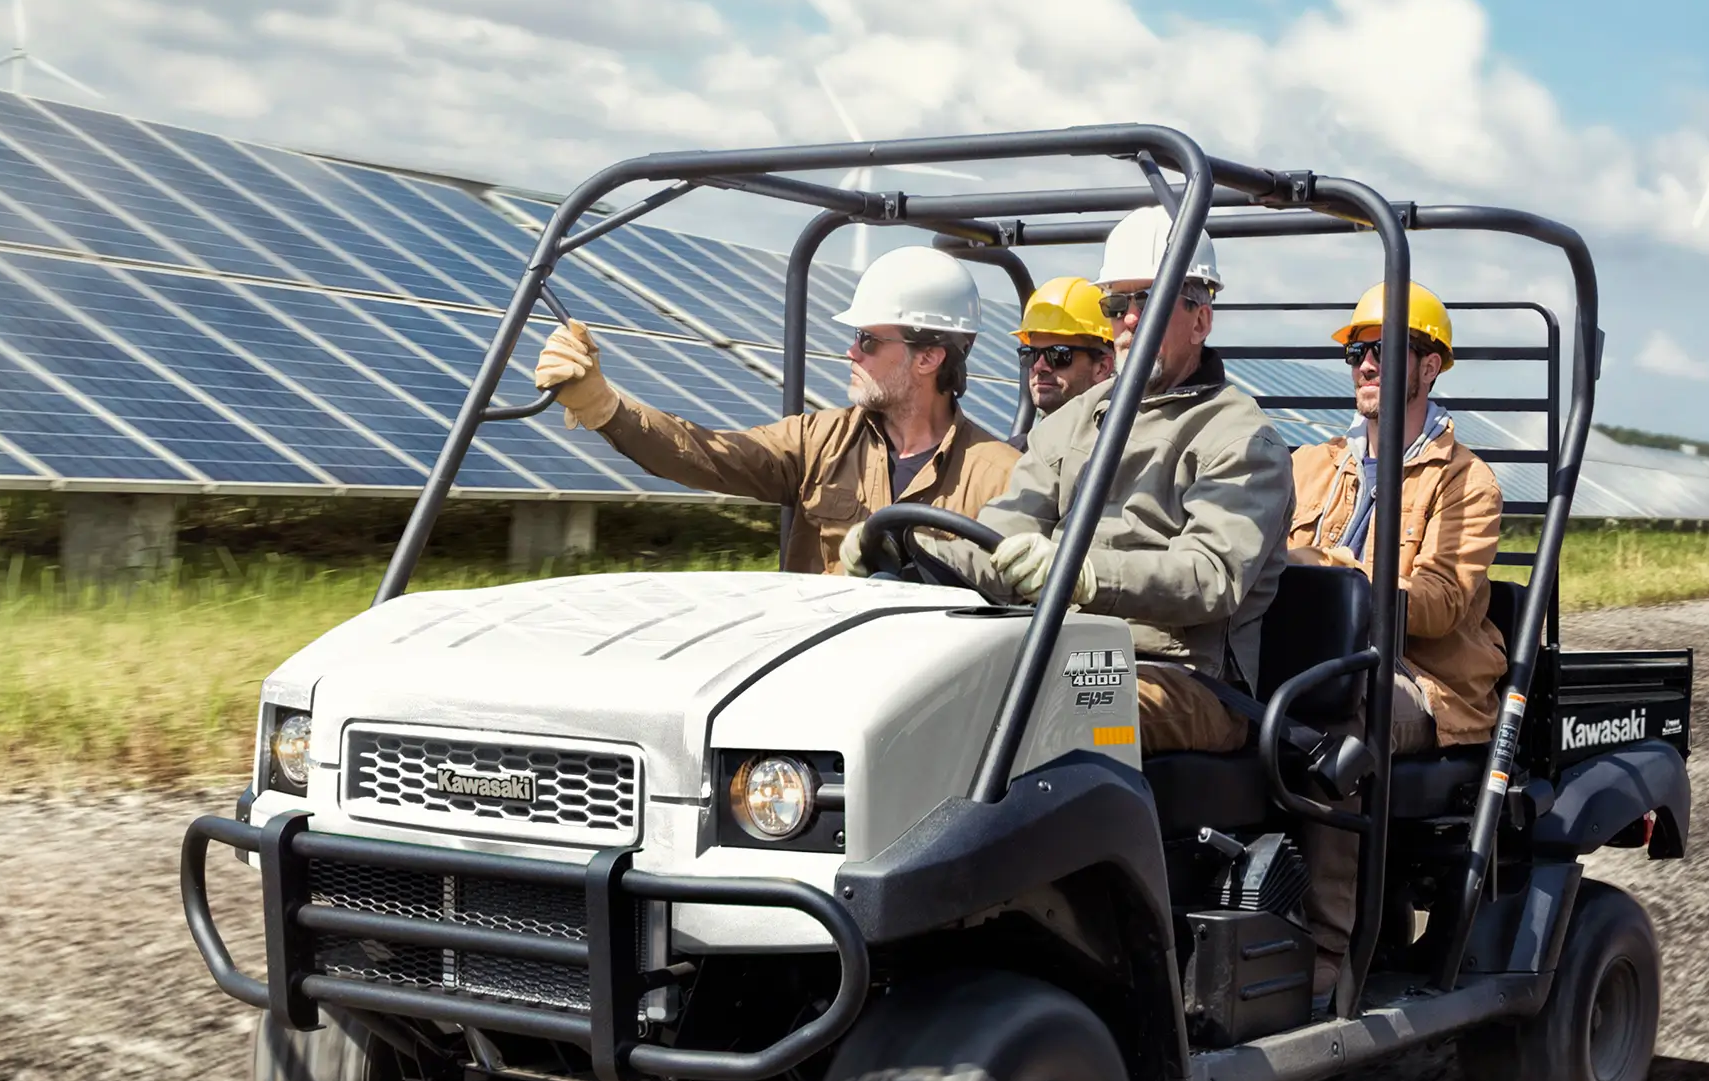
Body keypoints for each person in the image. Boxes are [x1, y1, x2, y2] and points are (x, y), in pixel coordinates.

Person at [864, 204, 1292, 756]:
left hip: (1183, 685)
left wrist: (1084, 577)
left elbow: (1211, 577)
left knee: (1057, 721)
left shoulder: (1239, 437)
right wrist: (901, 554)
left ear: (1200, 319)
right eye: (1118, 305)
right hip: (1057, 653)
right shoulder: (1071, 423)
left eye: (1151, 301)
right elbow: (998, 543)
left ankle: (1051, 842)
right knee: (908, 692)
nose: (1130, 320)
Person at [531, 243, 1018, 574]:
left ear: (929, 357)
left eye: (868, 340)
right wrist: (605, 406)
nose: (851, 353)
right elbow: (710, 454)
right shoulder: (819, 442)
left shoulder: (1002, 477)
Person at [1287, 281, 1509, 983]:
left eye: (1384, 349)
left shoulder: (1468, 482)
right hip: (1309, 658)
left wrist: (1334, 574)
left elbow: (1441, 603)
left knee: (1340, 717)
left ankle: (1327, 950)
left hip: (1422, 681)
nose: (1366, 364)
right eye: (1356, 351)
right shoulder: (1310, 465)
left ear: (1430, 364)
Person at [1012, 276, 1115, 446]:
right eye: (1030, 354)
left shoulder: (1117, 454)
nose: (1039, 366)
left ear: (1102, 367)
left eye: (1058, 355)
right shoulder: (1012, 456)